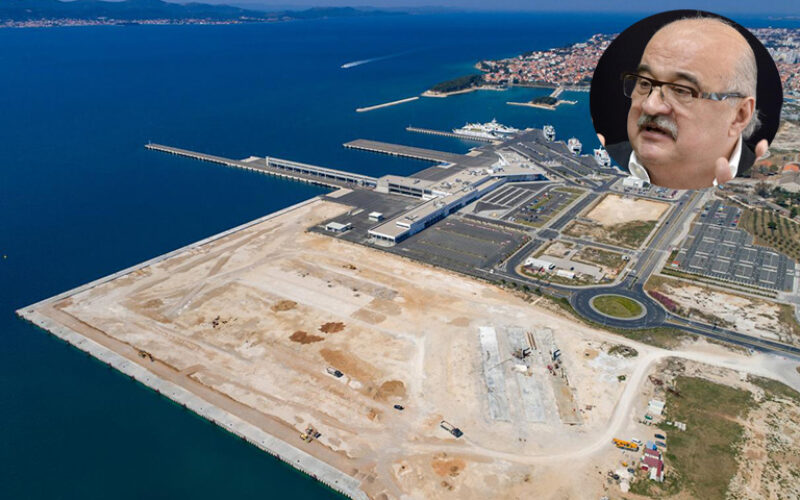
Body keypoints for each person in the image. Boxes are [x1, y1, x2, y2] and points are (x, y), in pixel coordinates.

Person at [601, 16, 769, 189]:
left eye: (681, 90)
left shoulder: (758, 180)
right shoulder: (602, 161)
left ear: (739, 116)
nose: (650, 105)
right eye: (644, 83)